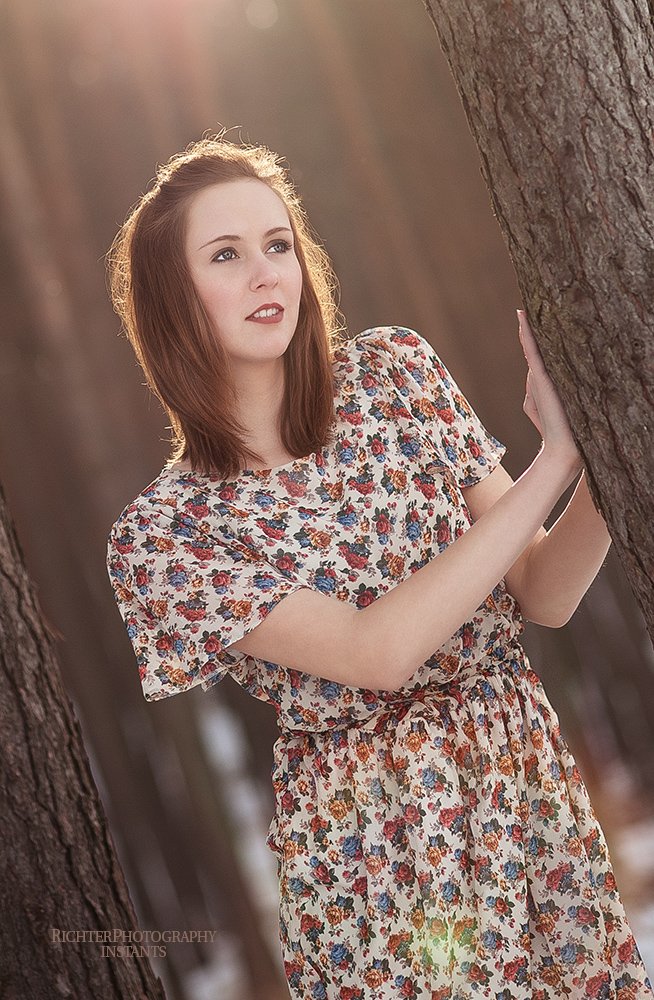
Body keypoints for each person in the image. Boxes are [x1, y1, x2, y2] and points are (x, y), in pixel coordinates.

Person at [105, 133, 653, 999]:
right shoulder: (167, 535)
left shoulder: (394, 375)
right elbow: (376, 654)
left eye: (278, 244)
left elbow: (543, 590)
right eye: (226, 255)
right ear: (171, 298)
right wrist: (554, 461)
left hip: (521, 781)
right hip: (376, 846)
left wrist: (615, 441)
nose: (266, 274)